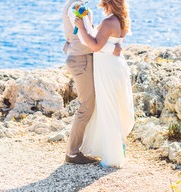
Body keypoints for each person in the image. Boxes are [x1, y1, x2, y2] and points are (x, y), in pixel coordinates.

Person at [74, 0, 135, 167]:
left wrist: (81, 28)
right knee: (113, 107)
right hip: (116, 65)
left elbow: (94, 45)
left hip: (107, 68)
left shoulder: (109, 22)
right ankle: (115, 147)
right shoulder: (120, 20)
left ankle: (113, 157)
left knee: (108, 108)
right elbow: (105, 43)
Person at [62, 0, 122, 164]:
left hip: (85, 59)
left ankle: (86, 146)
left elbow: (86, 33)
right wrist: (111, 49)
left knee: (91, 104)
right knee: (86, 106)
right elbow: (83, 37)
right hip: (81, 60)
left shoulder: (76, 5)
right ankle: (72, 153)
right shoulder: (76, 8)